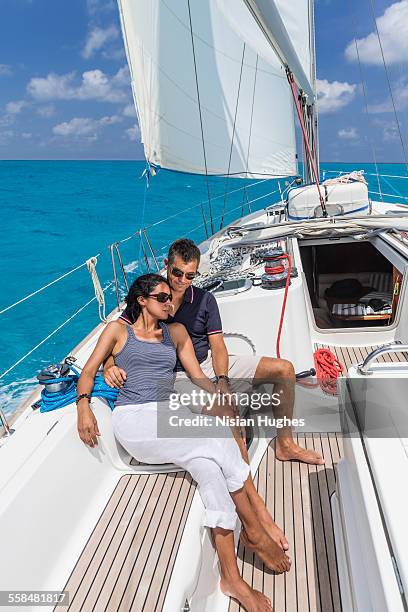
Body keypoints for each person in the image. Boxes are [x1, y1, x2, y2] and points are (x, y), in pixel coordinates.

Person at [76, 273, 291, 612]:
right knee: (218, 436)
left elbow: (196, 376)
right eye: (161, 297)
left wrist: (222, 394)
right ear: (142, 300)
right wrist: (84, 407)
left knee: (210, 471)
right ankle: (253, 528)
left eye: (170, 297)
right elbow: (87, 371)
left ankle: (232, 579)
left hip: (167, 411)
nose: (169, 302)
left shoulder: (174, 334)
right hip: (135, 420)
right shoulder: (119, 331)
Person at [104, 238, 324, 467]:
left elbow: (217, 345)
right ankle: (241, 474)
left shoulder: (204, 300)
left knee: (284, 369)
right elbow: (118, 336)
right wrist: (109, 364)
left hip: (208, 363)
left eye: (190, 276)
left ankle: (286, 445)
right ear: (166, 264)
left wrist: (222, 380)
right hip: (178, 376)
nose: (182, 281)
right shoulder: (151, 297)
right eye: (177, 272)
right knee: (228, 411)